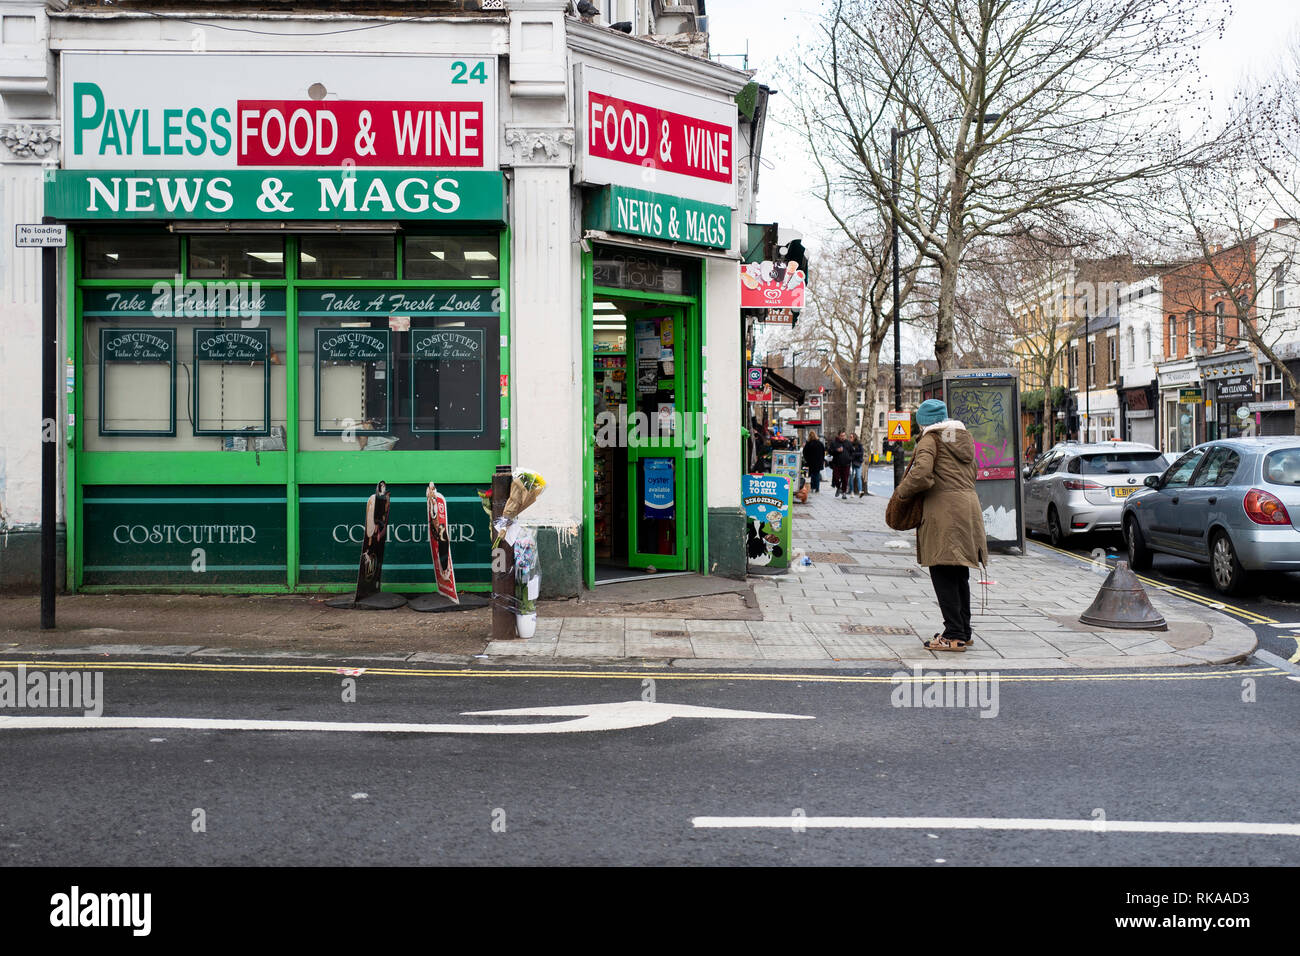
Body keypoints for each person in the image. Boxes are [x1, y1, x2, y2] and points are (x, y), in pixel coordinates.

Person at [894, 399, 989, 652]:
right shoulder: (962, 438)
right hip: (968, 509)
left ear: (924, 422)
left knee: (943, 572)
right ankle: (963, 630)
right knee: (959, 574)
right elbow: (974, 473)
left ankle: (953, 635)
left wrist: (901, 493)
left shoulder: (931, 439)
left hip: (943, 513)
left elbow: (921, 473)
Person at [828, 429, 852, 499]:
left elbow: (852, 452)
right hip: (836, 464)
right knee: (835, 478)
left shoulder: (848, 443)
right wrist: (836, 450)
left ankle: (844, 493)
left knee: (845, 479)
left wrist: (850, 459)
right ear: (838, 436)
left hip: (846, 464)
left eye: (844, 435)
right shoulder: (834, 443)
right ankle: (838, 487)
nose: (843, 437)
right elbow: (829, 451)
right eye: (841, 436)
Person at [849, 432, 866, 497]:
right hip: (851, 463)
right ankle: (852, 491)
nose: (850, 438)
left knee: (858, 477)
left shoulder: (859, 444)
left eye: (851, 437)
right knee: (851, 477)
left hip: (858, 462)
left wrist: (853, 454)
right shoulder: (849, 444)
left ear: (854, 437)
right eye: (850, 437)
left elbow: (861, 453)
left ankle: (860, 491)